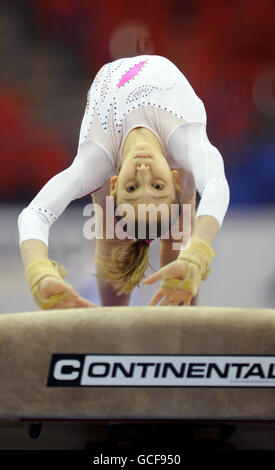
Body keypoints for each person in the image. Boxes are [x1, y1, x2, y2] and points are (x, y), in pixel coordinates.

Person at [18, 54, 230, 309]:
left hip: (112, 147)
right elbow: (217, 184)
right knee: (181, 239)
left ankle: (179, 331)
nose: (143, 171)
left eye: (132, 188)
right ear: (173, 179)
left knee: (115, 238)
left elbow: (34, 214)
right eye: (158, 186)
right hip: (170, 159)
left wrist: (38, 272)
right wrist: (197, 253)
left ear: (115, 184)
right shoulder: (185, 136)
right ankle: (120, 330)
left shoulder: (95, 160)